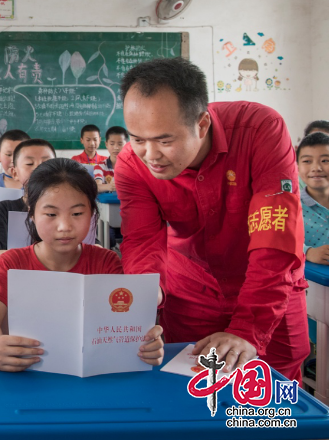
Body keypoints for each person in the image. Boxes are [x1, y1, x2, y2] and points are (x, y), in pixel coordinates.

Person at [116, 57, 308, 382]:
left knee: (275, 409)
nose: (150, 155)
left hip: (270, 296)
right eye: (137, 139)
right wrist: (148, 291)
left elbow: (274, 239)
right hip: (191, 300)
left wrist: (248, 329)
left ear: (202, 125)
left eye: (164, 140)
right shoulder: (131, 166)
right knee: (193, 400)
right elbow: (142, 241)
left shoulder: (259, 130)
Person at [0, 159, 164, 372]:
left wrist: (147, 345)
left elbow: (127, 325)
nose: (64, 226)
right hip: (29, 373)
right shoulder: (11, 263)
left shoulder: (107, 262)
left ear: (92, 213)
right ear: (32, 215)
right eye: (51, 214)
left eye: (77, 214)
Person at [0, 139, 56, 264]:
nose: (38, 168)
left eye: (46, 162)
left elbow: (92, 244)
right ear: (15, 173)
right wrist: (5, 257)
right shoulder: (5, 208)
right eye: (29, 163)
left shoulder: (71, 209)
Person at [297, 132, 329, 265]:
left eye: (325, 160)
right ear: (297, 166)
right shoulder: (292, 206)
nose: (316, 168)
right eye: (307, 161)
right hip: (309, 283)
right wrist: (308, 252)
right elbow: (277, 242)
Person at [94, 126, 128, 193]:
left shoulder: (131, 166)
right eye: (112, 144)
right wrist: (110, 186)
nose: (116, 147)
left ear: (126, 145)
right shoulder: (100, 166)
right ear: (106, 144)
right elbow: (96, 186)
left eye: (120, 144)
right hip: (108, 201)